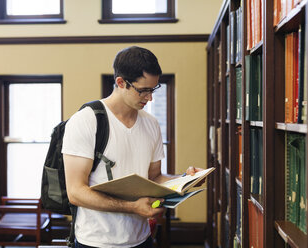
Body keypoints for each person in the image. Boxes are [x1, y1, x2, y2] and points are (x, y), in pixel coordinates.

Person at [62, 46, 203, 248]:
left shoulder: (151, 124)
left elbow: (154, 178)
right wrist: (132, 207)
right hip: (95, 241)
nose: (150, 97)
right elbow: (75, 192)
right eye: (143, 90)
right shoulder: (86, 121)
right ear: (121, 82)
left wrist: (184, 179)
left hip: (142, 239)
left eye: (153, 89)